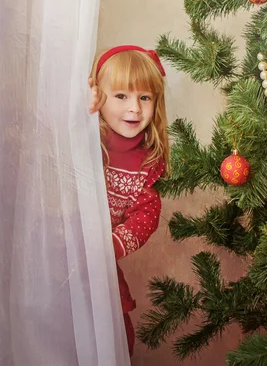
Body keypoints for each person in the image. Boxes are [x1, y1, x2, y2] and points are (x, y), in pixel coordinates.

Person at [88, 45, 169, 357]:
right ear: (99, 95)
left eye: (144, 98)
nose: (135, 108)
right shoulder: (85, 135)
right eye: (121, 96)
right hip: (55, 257)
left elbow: (146, 212)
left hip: (100, 263)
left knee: (117, 335)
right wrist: (83, 109)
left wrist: (114, 243)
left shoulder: (146, 161)